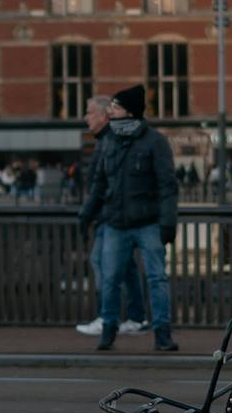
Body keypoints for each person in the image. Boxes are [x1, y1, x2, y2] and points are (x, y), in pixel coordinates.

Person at [79, 84, 179, 353]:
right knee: (110, 278)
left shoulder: (155, 142)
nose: (110, 111)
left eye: (115, 106)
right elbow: (99, 183)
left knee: (156, 277)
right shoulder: (109, 140)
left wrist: (168, 221)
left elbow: (168, 186)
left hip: (148, 222)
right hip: (116, 222)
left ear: (129, 111)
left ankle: (162, 332)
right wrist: (86, 214)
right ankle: (109, 330)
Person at [75, 95, 148, 338]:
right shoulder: (110, 139)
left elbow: (101, 183)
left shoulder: (109, 140)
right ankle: (135, 317)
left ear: (105, 115)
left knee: (104, 265)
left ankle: (109, 318)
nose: (86, 117)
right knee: (125, 269)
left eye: (89, 112)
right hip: (113, 214)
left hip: (111, 216)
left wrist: (87, 213)